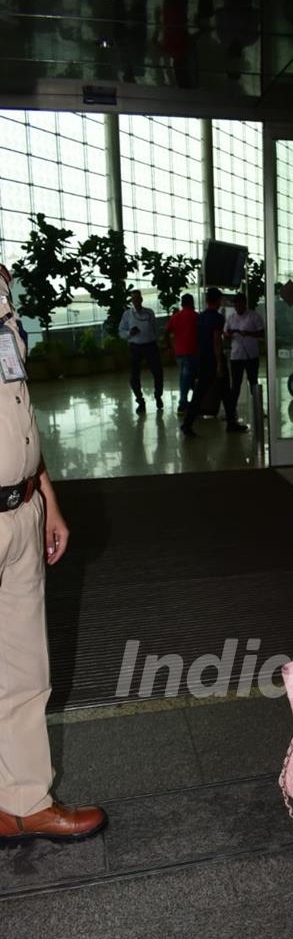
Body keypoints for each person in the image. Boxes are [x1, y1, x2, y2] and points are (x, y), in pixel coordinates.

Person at [0, 264, 107, 845]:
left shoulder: (1, 288)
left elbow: (17, 402)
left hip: (20, 509)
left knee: (24, 670)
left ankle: (23, 801)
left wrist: (47, 495)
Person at [180, 287, 245, 436]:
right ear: (218, 300)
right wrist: (219, 363)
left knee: (202, 393)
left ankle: (189, 423)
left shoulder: (200, 317)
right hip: (214, 359)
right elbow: (216, 340)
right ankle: (230, 423)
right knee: (224, 392)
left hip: (202, 358)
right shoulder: (217, 318)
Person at [118, 290, 163, 414]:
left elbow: (155, 329)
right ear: (131, 301)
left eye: (138, 299)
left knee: (158, 372)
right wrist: (129, 333)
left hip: (150, 346)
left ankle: (158, 396)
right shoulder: (127, 315)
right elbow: (121, 332)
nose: (136, 301)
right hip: (135, 347)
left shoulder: (149, 313)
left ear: (141, 299)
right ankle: (140, 401)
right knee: (134, 376)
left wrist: (158, 344)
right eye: (133, 299)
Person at [224, 292, 264, 420]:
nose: (237, 307)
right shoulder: (231, 318)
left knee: (253, 383)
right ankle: (231, 411)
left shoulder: (254, 316)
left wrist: (248, 333)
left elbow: (261, 333)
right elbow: (225, 334)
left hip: (251, 355)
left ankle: (259, 410)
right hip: (236, 356)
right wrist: (228, 335)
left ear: (244, 304)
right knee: (235, 385)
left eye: (240, 305)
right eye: (235, 305)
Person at [165, 293, 199, 413]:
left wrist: (169, 347)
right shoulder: (196, 316)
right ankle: (183, 403)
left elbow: (166, 332)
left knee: (185, 376)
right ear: (191, 303)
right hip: (193, 352)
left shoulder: (175, 317)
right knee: (188, 377)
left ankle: (190, 401)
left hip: (179, 352)